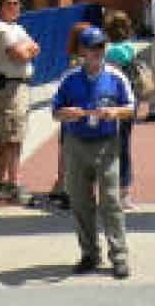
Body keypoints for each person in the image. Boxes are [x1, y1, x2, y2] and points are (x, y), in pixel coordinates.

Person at [51, 26, 134, 279]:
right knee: (80, 201)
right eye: (92, 47)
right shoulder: (70, 78)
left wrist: (115, 112)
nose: (97, 52)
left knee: (110, 200)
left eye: (101, 47)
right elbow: (55, 111)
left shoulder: (116, 77)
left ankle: (118, 255)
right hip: (77, 143)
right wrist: (68, 113)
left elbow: (130, 107)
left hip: (107, 143)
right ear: (82, 51)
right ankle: (89, 253)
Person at [0, 0, 40, 202]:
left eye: (18, 2)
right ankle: (8, 182)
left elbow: (36, 47)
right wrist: (27, 50)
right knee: (10, 136)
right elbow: (20, 55)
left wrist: (27, 50)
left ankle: (9, 181)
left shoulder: (17, 28)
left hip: (21, 86)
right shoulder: (0, 29)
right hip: (9, 86)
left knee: (14, 136)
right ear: (1, 7)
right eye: (12, 3)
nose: (17, 6)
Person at [48, 20, 92, 208]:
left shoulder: (73, 60)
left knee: (66, 151)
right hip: (77, 113)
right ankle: (69, 190)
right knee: (76, 153)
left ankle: (61, 186)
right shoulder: (81, 63)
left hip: (71, 114)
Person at [103, 10, 138, 209]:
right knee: (124, 146)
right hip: (128, 103)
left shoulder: (109, 52)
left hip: (111, 103)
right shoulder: (129, 48)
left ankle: (109, 190)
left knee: (107, 147)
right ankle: (123, 192)